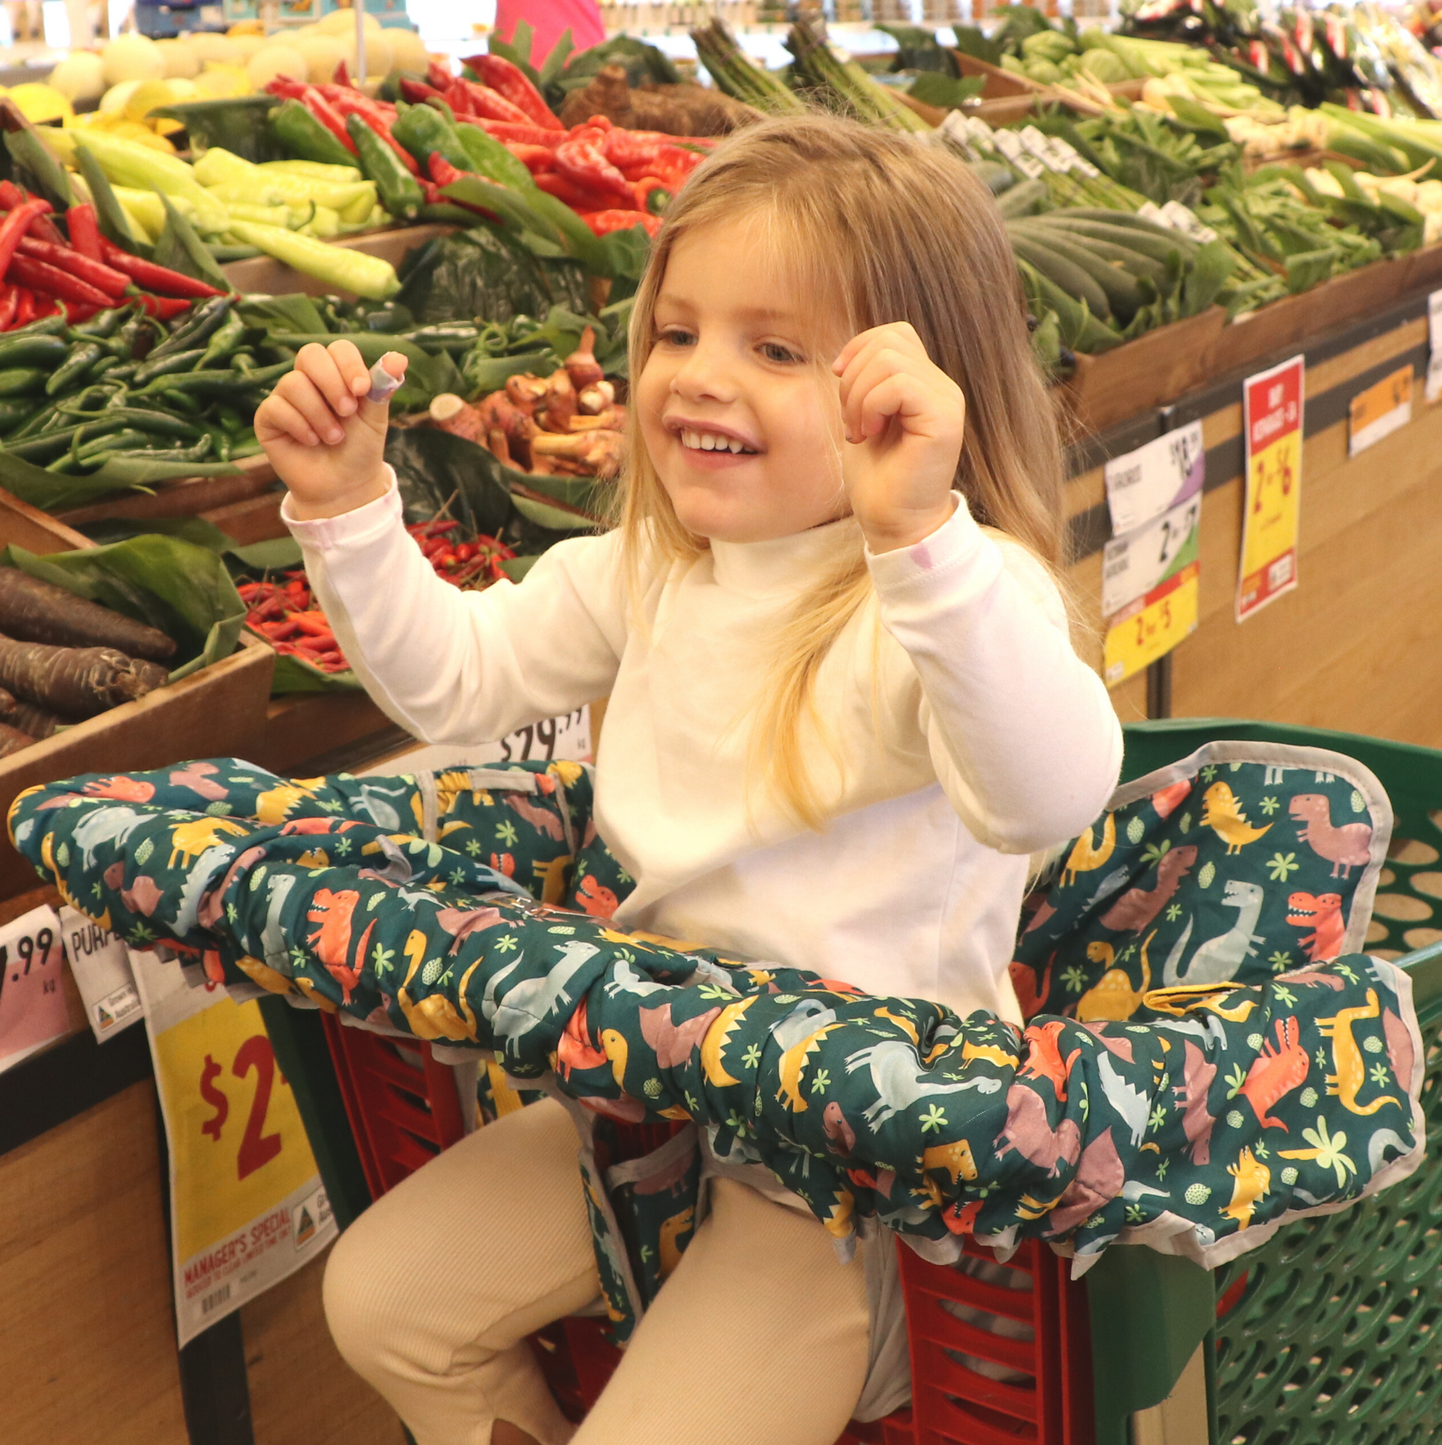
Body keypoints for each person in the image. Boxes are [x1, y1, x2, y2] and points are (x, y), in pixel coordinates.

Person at [254, 114, 1123, 1445]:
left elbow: (1047, 792)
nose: (701, 378)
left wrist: (924, 539)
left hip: (856, 1181)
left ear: (911, 396)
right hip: (648, 1108)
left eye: (774, 348)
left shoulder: (946, 595)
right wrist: (351, 508)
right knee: (382, 1297)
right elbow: (458, 680)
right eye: (677, 333)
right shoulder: (654, 571)